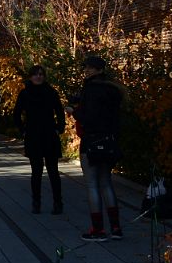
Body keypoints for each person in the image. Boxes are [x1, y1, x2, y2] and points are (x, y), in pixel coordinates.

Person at [71, 55, 125, 242]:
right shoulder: (114, 90)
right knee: (106, 183)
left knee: (92, 185)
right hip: (110, 141)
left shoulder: (90, 90)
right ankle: (116, 227)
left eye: (90, 68)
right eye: (86, 67)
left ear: (99, 70)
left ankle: (98, 229)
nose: (86, 70)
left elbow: (88, 118)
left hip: (92, 141)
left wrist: (73, 111)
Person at [13, 65, 65, 214]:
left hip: (49, 134)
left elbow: (59, 111)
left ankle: (58, 202)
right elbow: (16, 114)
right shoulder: (25, 93)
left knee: (53, 171)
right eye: (35, 74)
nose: (39, 77)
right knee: (36, 171)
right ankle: (36, 202)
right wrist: (22, 130)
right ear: (30, 76)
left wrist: (59, 127)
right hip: (33, 135)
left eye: (41, 74)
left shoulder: (51, 92)